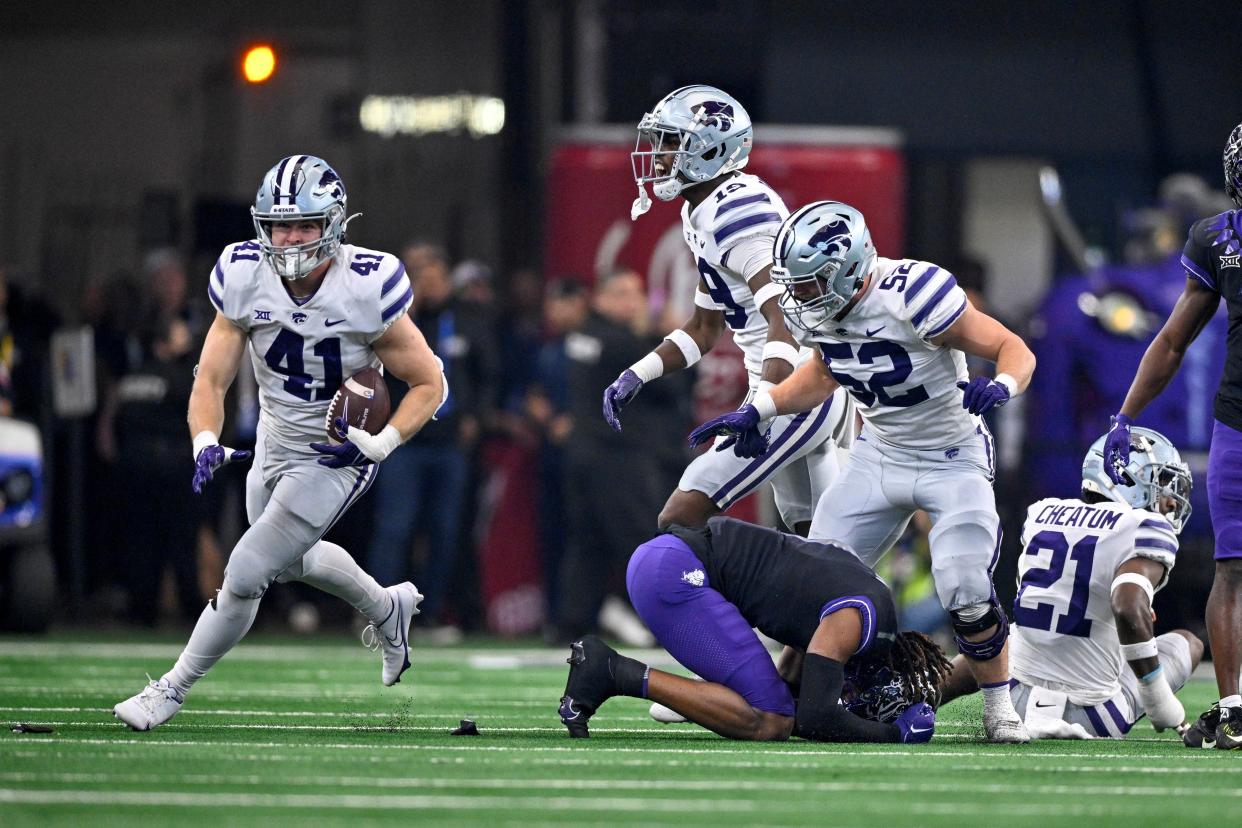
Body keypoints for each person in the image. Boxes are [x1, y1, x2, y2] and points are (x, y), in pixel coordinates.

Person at [113, 155, 447, 730]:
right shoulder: (244, 273)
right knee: (290, 563)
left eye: (304, 225)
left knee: (245, 571)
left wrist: (381, 443)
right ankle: (387, 609)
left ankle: (169, 689)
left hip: (335, 453)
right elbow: (210, 378)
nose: (289, 238)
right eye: (278, 225)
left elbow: (430, 383)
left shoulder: (366, 285)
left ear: (335, 224)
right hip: (272, 440)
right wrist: (204, 442)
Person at [691, 201, 1037, 742]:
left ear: (848, 270)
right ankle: (782, 687)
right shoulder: (826, 313)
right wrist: (757, 408)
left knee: (965, 586)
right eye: (795, 284)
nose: (799, 296)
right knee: (815, 583)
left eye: (809, 283)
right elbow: (823, 373)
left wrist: (1004, 385)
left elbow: (1011, 346)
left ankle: (1000, 708)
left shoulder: (915, 294)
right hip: (878, 454)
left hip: (952, 457)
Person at [604, 85, 852, 535]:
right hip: (786, 388)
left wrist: (762, 405)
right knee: (819, 542)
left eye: (671, 142)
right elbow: (703, 327)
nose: (658, 155)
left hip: (795, 388)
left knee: (680, 517)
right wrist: (637, 374)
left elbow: (787, 316)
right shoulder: (705, 208)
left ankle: (728, 607)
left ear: (711, 149)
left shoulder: (738, 214)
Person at [558, 516, 947, 743]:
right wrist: (892, 734)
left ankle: (685, 697)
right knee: (771, 720)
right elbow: (814, 717)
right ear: (881, 664)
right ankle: (613, 672)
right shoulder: (856, 620)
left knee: (773, 703)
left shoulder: (865, 603)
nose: (856, 695)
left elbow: (789, 683)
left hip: (668, 561)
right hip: (678, 573)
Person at [1103, 122, 1242, 750]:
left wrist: (1125, 416)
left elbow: (1170, 340)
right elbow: (1171, 341)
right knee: (1232, 570)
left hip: (1232, 421)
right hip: (1237, 420)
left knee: (1233, 573)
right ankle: (1236, 707)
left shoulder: (1219, 236)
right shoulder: (1217, 239)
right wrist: (1126, 414)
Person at [939, 428, 1203, 738]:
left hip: (1009, 700)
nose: (1170, 500)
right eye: (1159, 482)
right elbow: (1128, 607)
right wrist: (1159, 700)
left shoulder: (1043, 512)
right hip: (1094, 714)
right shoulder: (1146, 527)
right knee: (1188, 641)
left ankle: (918, 695)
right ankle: (1152, 696)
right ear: (1127, 481)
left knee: (1002, 641)